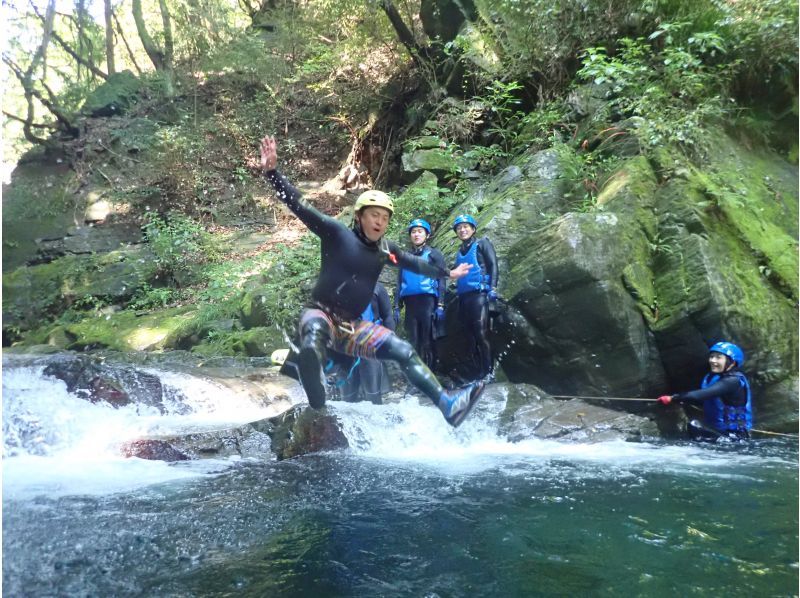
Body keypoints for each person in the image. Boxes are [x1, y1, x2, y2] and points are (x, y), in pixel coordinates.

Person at [259, 135, 485, 427]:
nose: (380, 222)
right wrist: (272, 174)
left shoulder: (385, 251)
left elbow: (412, 262)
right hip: (320, 314)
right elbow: (301, 206)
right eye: (374, 215)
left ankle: (448, 405)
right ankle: (316, 395)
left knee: (403, 350)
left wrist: (447, 274)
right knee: (314, 333)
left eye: (385, 218)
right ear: (360, 217)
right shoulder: (336, 234)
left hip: (351, 327)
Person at [657, 341, 753, 441]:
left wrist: (673, 398)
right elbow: (704, 400)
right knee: (694, 427)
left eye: (718, 357)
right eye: (711, 357)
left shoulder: (733, 381)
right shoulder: (714, 378)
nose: (712, 360)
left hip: (736, 435)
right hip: (719, 431)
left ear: (732, 362)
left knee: (694, 427)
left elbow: (701, 395)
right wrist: (681, 401)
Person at [452, 213, 499, 381]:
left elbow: (493, 264)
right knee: (469, 336)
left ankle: (489, 372)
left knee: (481, 333)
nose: (462, 230)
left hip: (480, 296)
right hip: (464, 299)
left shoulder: (482, 244)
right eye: (459, 228)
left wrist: (492, 288)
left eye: (465, 227)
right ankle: (478, 371)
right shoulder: (459, 251)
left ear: (473, 229)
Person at [394, 219, 447, 369]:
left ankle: (432, 374)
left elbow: (442, 279)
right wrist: (396, 306)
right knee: (414, 340)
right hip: (411, 304)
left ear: (427, 234)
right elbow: (399, 282)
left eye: (420, 231)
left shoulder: (434, 254)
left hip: (427, 302)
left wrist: (441, 305)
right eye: (413, 232)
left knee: (427, 340)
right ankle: (418, 377)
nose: (416, 234)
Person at [339, 282, 395, 404]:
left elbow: (387, 316)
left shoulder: (378, 288)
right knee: (346, 400)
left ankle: (377, 420)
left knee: (373, 396)